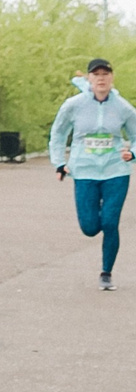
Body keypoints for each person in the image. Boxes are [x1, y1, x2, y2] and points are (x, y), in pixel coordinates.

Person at [49, 59, 136, 291]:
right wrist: (59, 163)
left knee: (110, 222)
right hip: (84, 170)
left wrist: (133, 153)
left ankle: (106, 273)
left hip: (116, 171)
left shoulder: (123, 107)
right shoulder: (73, 105)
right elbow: (58, 134)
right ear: (89, 78)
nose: (101, 78)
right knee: (89, 227)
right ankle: (96, 214)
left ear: (112, 77)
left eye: (105, 74)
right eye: (96, 74)